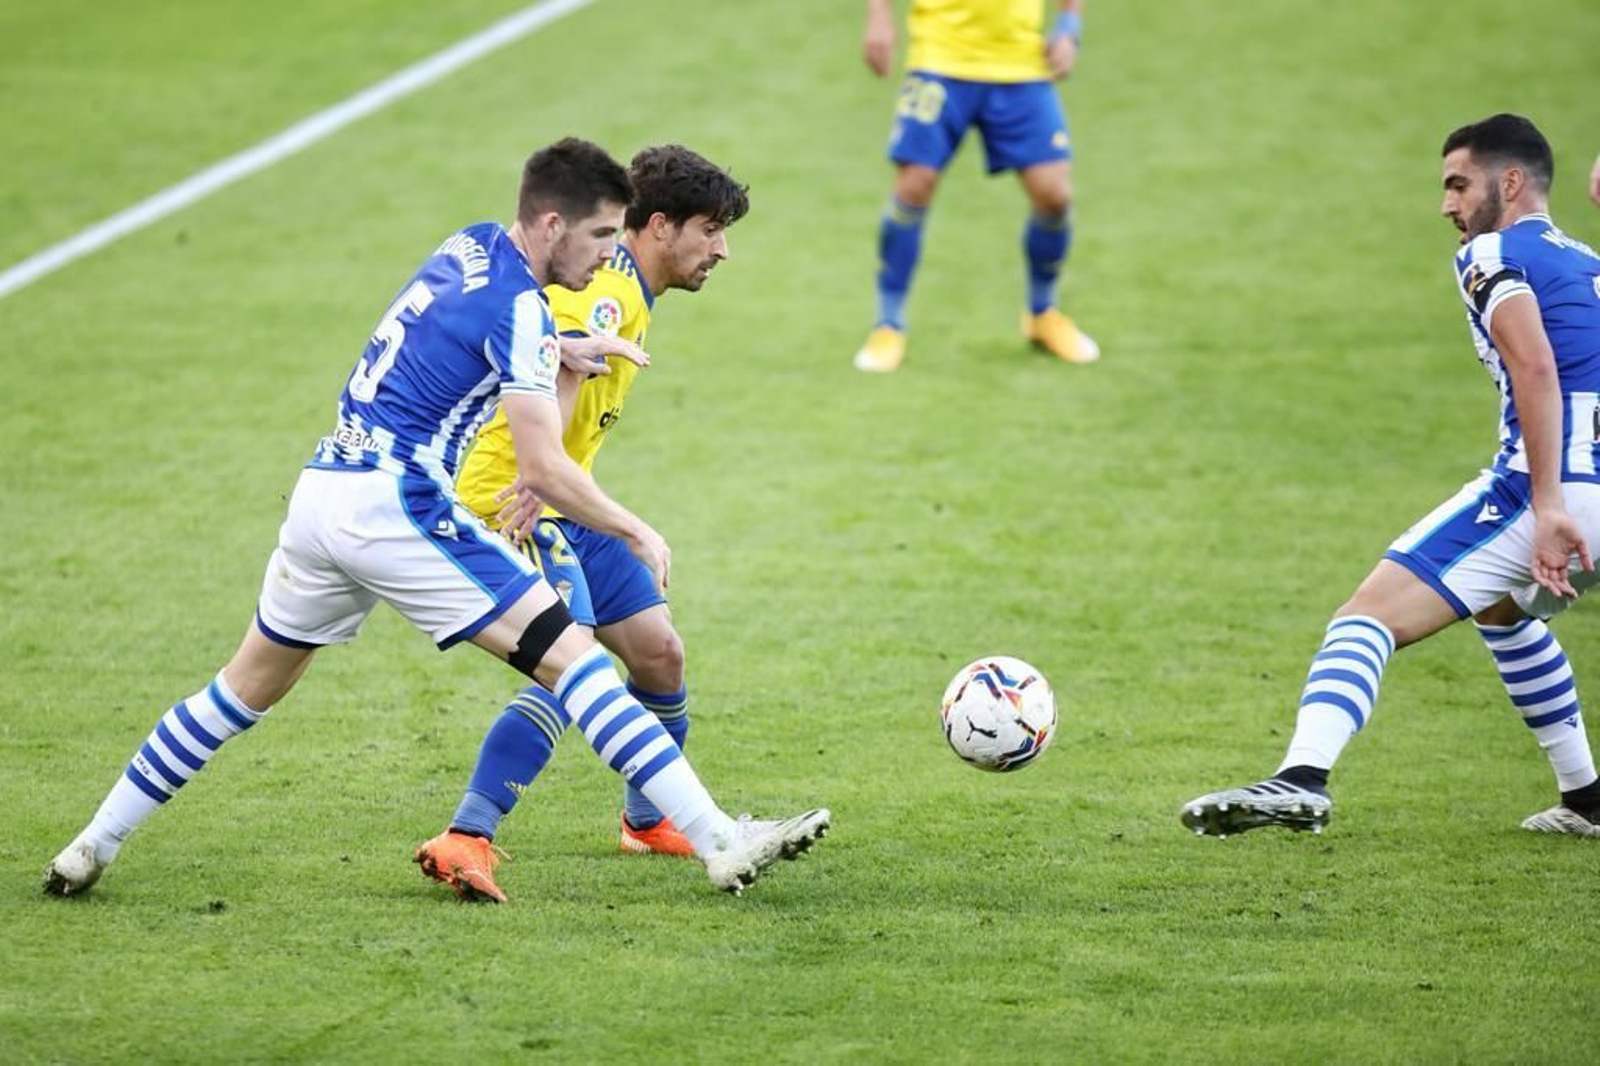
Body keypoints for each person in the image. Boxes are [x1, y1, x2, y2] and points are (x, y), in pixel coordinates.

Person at [43, 138, 829, 902]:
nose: (605, 256)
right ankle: (720, 841)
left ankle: (90, 846)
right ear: (553, 225)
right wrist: (636, 528)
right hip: (396, 503)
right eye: (597, 235)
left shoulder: (469, 247)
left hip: (322, 491)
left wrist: (564, 342)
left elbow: (470, 335)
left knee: (239, 692)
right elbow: (545, 468)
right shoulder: (522, 309)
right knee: (578, 664)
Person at [1181, 114, 1600, 840]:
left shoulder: (1490, 253)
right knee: (1501, 609)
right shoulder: (1590, 263)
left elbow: (1536, 365)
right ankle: (1587, 797)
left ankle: (1302, 778)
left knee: (1366, 617)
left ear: (1509, 183)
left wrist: (1548, 504)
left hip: (1553, 491)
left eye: (1458, 184)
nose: (1447, 205)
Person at [418, 145, 748, 869]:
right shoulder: (611, 294)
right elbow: (559, 341)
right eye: (710, 230)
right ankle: (467, 835)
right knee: (574, 664)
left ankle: (646, 819)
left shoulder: (634, 295)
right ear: (658, 226)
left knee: (659, 655)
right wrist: (540, 479)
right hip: (512, 503)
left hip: (564, 498)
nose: (721, 250)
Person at [853, 0, 1099, 373]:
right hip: (939, 60)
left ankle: (1043, 312)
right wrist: (879, 17)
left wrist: (1069, 25)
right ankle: (888, 324)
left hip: (1022, 64)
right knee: (913, 186)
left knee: (1054, 195)